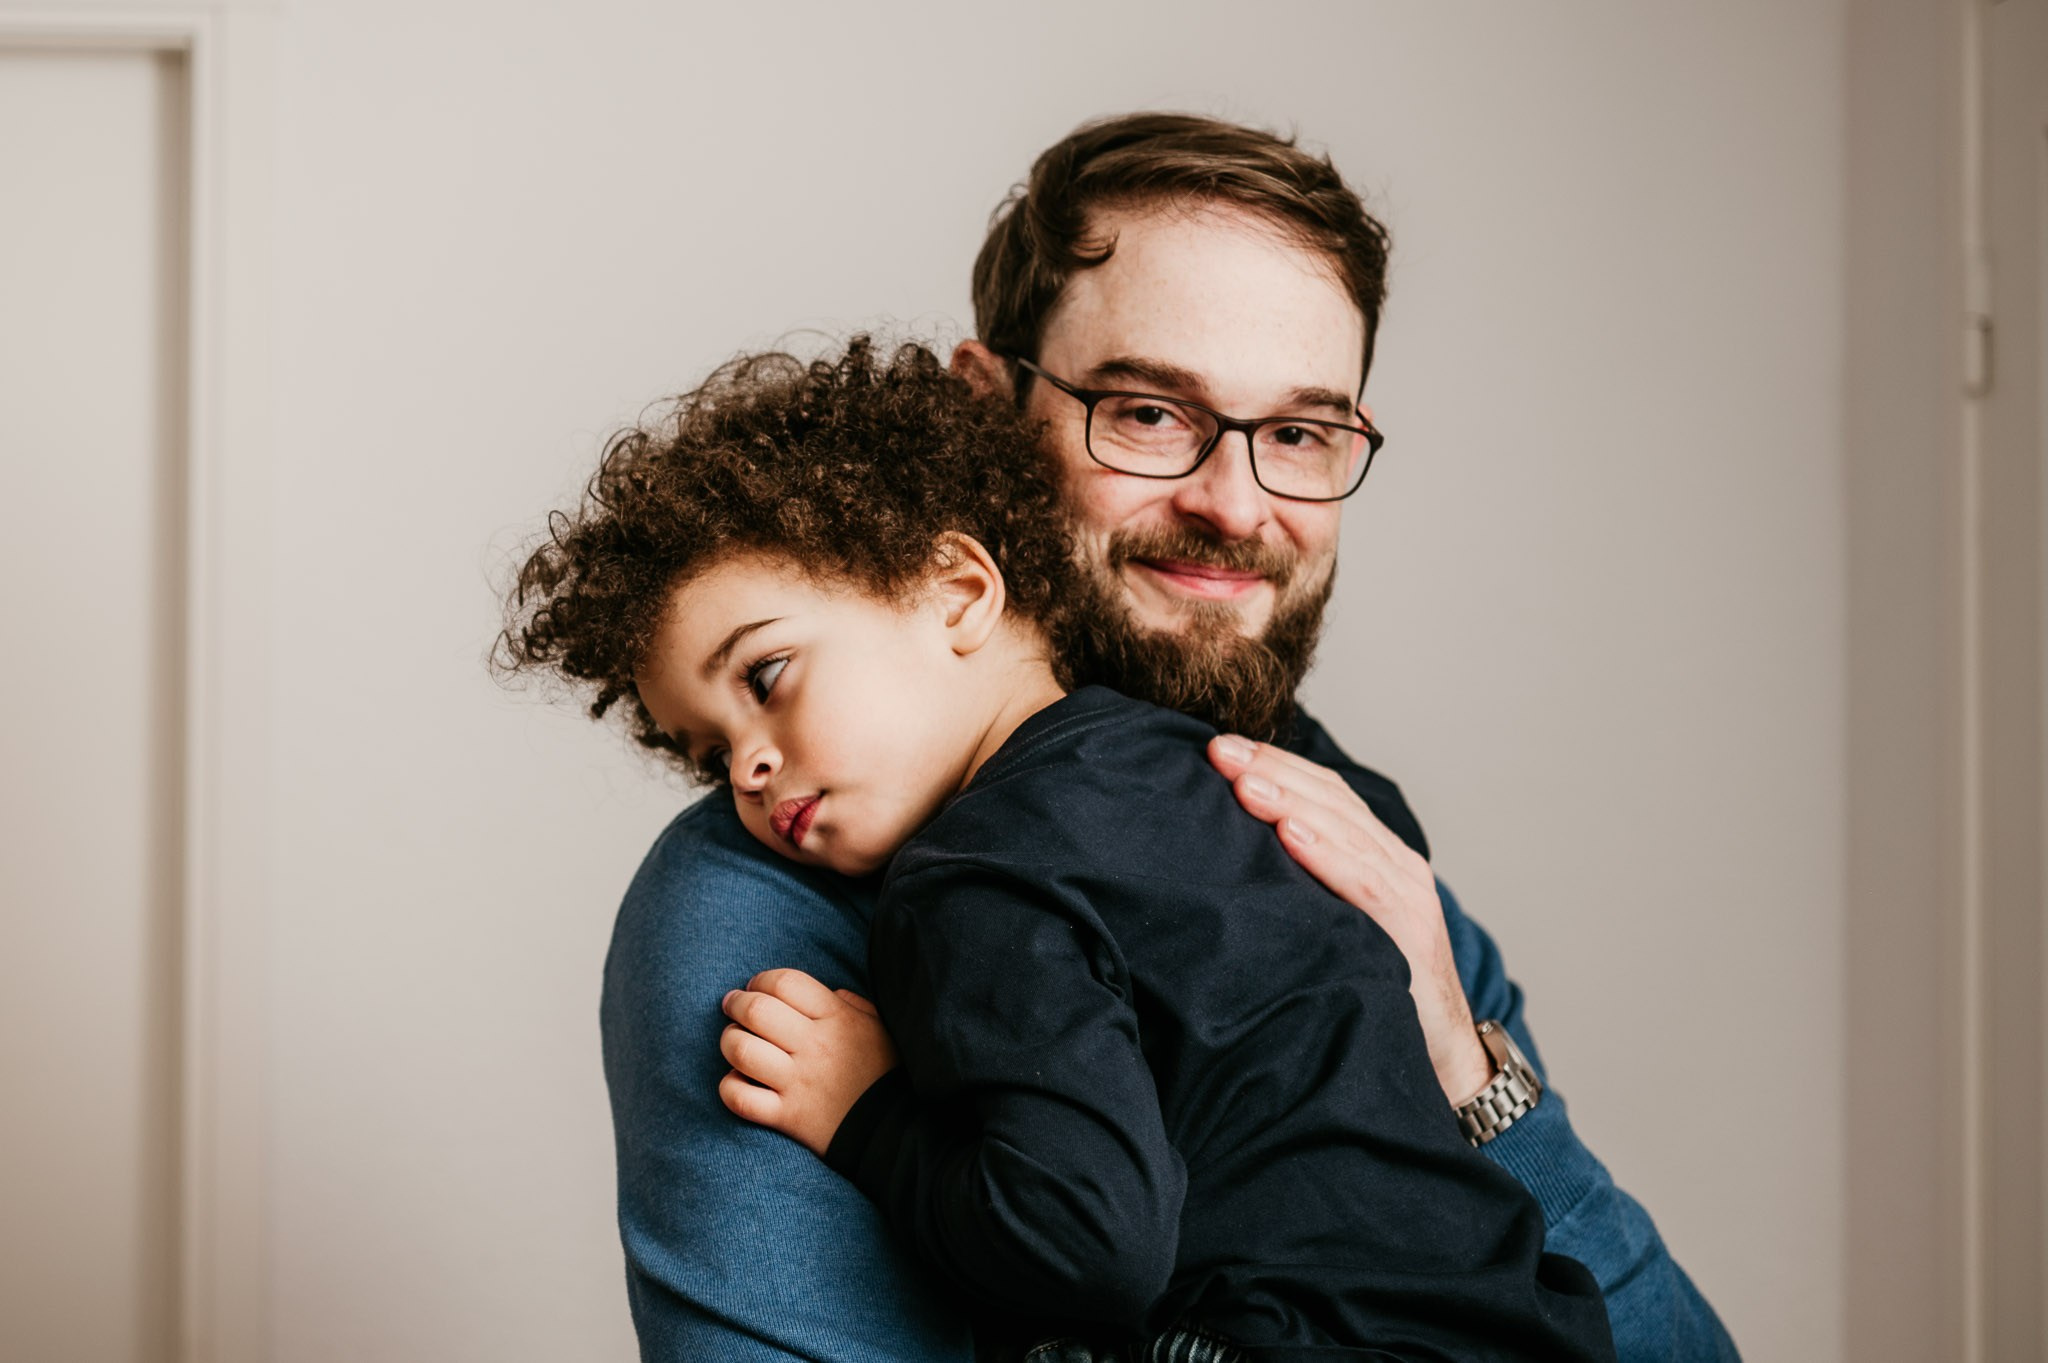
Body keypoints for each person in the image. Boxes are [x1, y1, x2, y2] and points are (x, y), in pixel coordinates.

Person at [557, 113, 1738, 1362]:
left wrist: (1463, 1064)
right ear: (986, 405)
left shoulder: (1333, 830)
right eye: (1147, 413)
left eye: (1297, 433)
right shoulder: (762, 913)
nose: (1234, 503)